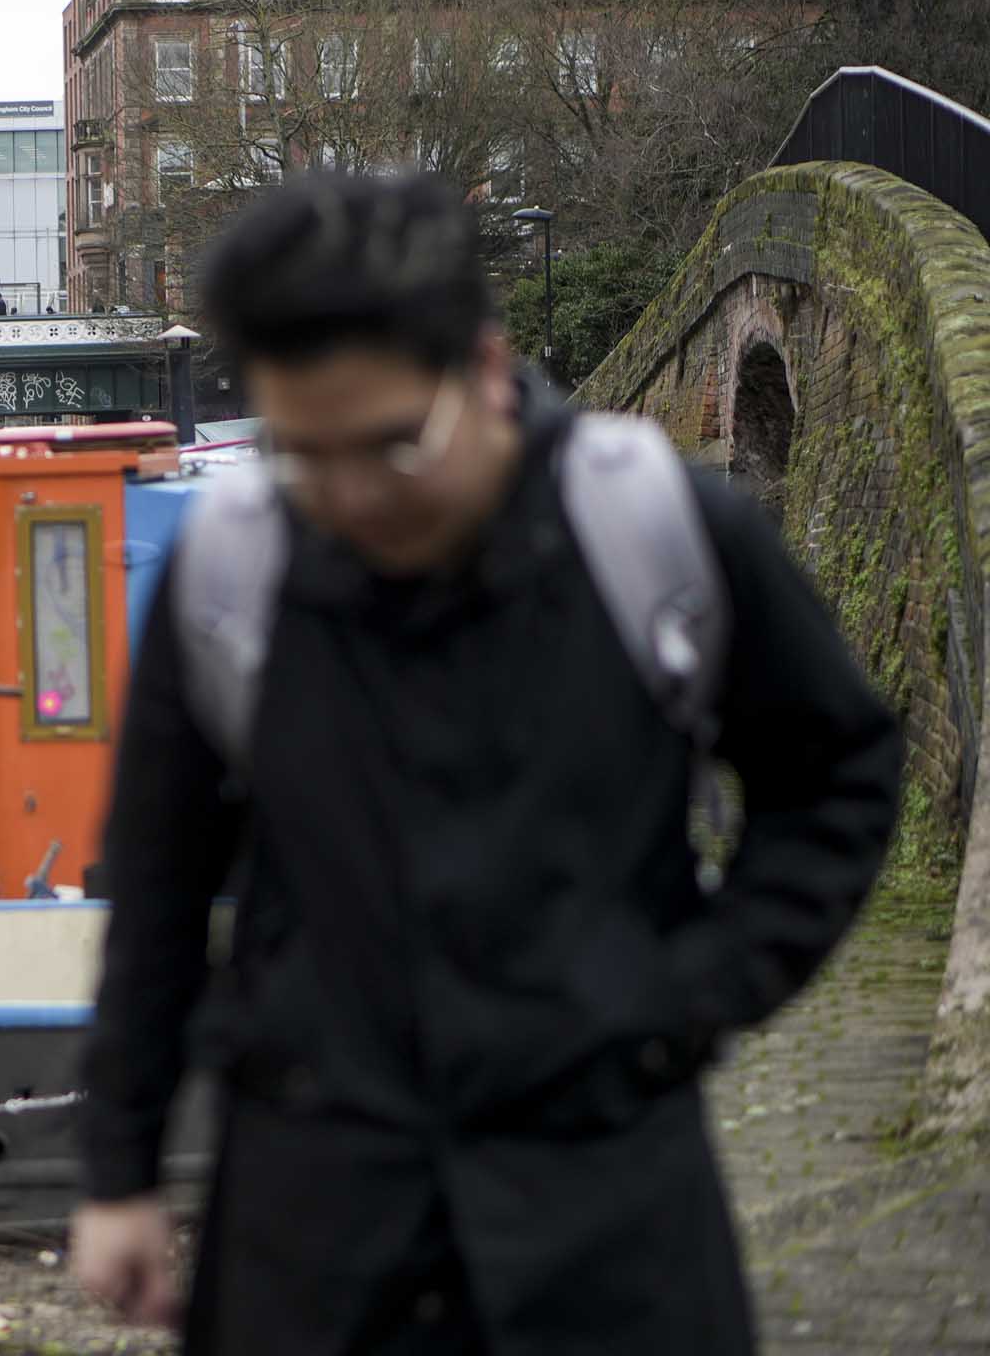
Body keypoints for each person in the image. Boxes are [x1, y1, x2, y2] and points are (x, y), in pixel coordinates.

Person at [70, 173, 901, 1355]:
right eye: (306, 455)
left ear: (489, 369)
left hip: (603, 1222)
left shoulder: (654, 529)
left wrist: (690, 997)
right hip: (315, 1230)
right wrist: (120, 1172)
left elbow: (839, 770)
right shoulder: (232, 574)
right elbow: (153, 890)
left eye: (393, 446)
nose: (351, 495)